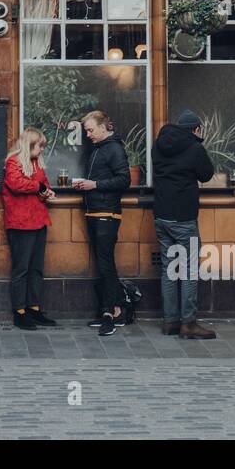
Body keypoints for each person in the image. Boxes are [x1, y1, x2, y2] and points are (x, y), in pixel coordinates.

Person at [151, 110, 217, 340]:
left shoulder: (158, 144)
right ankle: (188, 323)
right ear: (196, 129)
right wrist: (198, 143)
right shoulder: (194, 148)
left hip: (161, 215)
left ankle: (170, 322)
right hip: (183, 218)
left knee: (169, 269)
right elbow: (206, 174)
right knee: (188, 271)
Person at [73, 110, 130, 337]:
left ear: (104, 127)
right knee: (103, 263)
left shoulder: (114, 148)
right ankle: (113, 310)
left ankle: (112, 312)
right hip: (95, 211)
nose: (87, 135)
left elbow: (124, 179)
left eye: (90, 130)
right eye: (86, 130)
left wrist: (94, 185)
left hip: (107, 213)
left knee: (106, 263)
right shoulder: (98, 149)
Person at [1, 128, 57, 330]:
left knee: (36, 269)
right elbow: (16, 184)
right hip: (21, 223)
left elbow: (43, 184)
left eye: (42, 145)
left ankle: (34, 308)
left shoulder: (36, 163)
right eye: (39, 145)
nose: (42, 149)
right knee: (21, 270)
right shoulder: (13, 162)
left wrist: (47, 193)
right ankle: (19, 312)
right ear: (28, 145)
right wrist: (40, 188)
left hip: (38, 220)